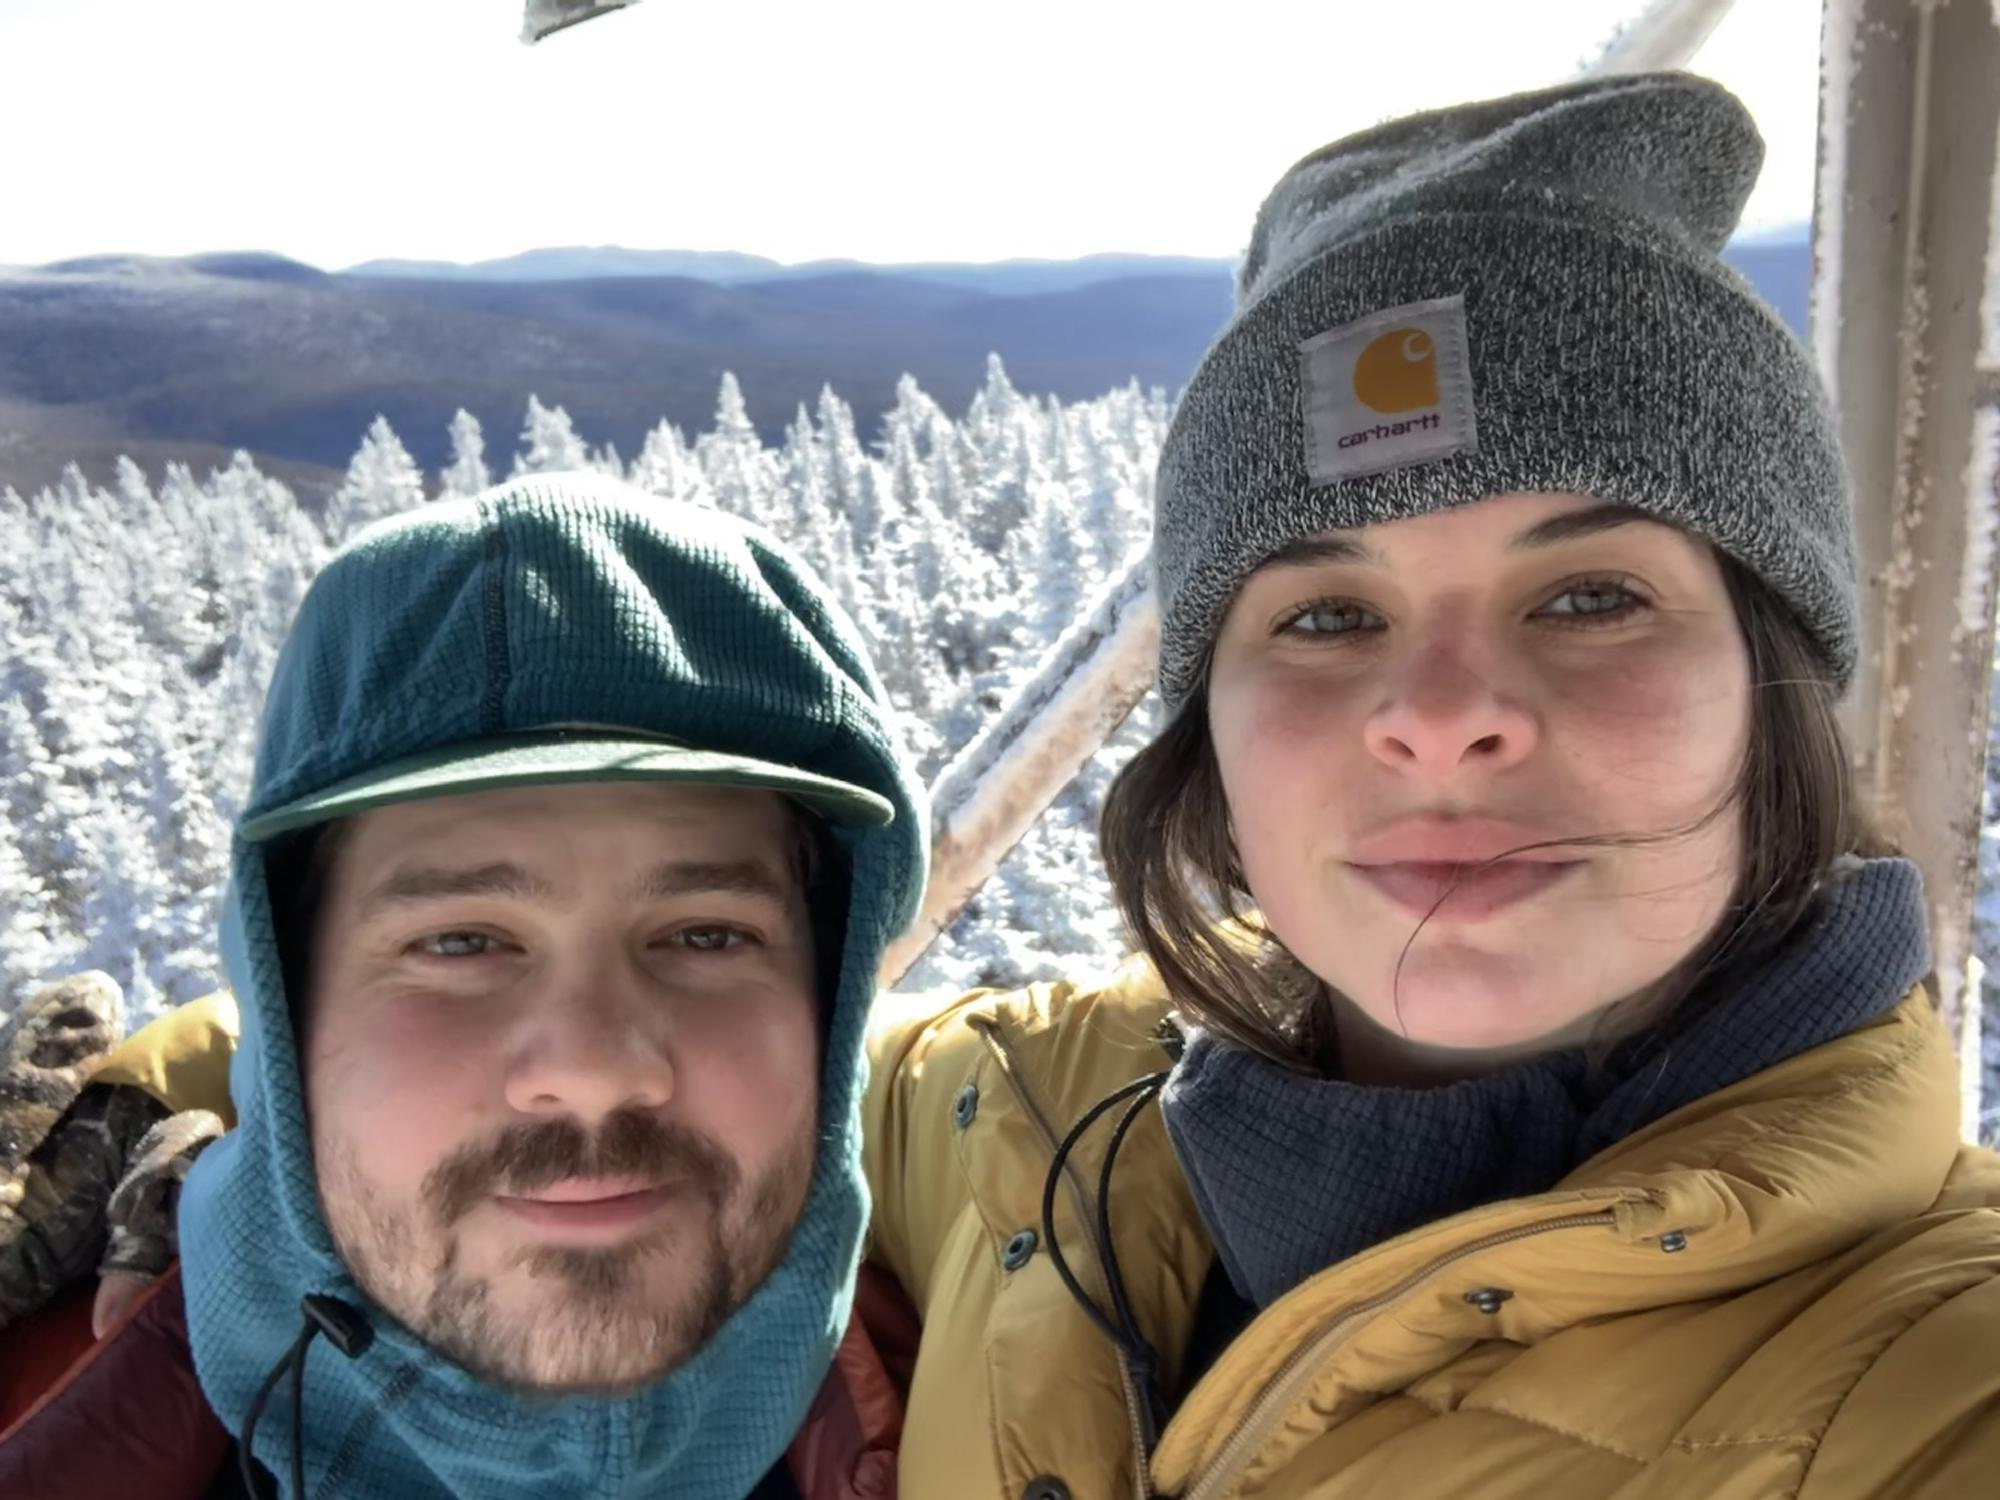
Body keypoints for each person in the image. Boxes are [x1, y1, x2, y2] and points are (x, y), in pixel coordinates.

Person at [861, 72, 2000, 1499]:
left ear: (1774, 690)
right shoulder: (1025, 1108)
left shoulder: (1945, 1381)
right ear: (1206, 728)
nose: (1443, 719)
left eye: (1590, 596)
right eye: (1326, 615)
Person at [0, 472, 928, 1500]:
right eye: (460, 943)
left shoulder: (1010, 1395)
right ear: (287, 1008)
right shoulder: (40, 1411)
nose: (590, 1071)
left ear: (828, 1007)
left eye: (705, 934)